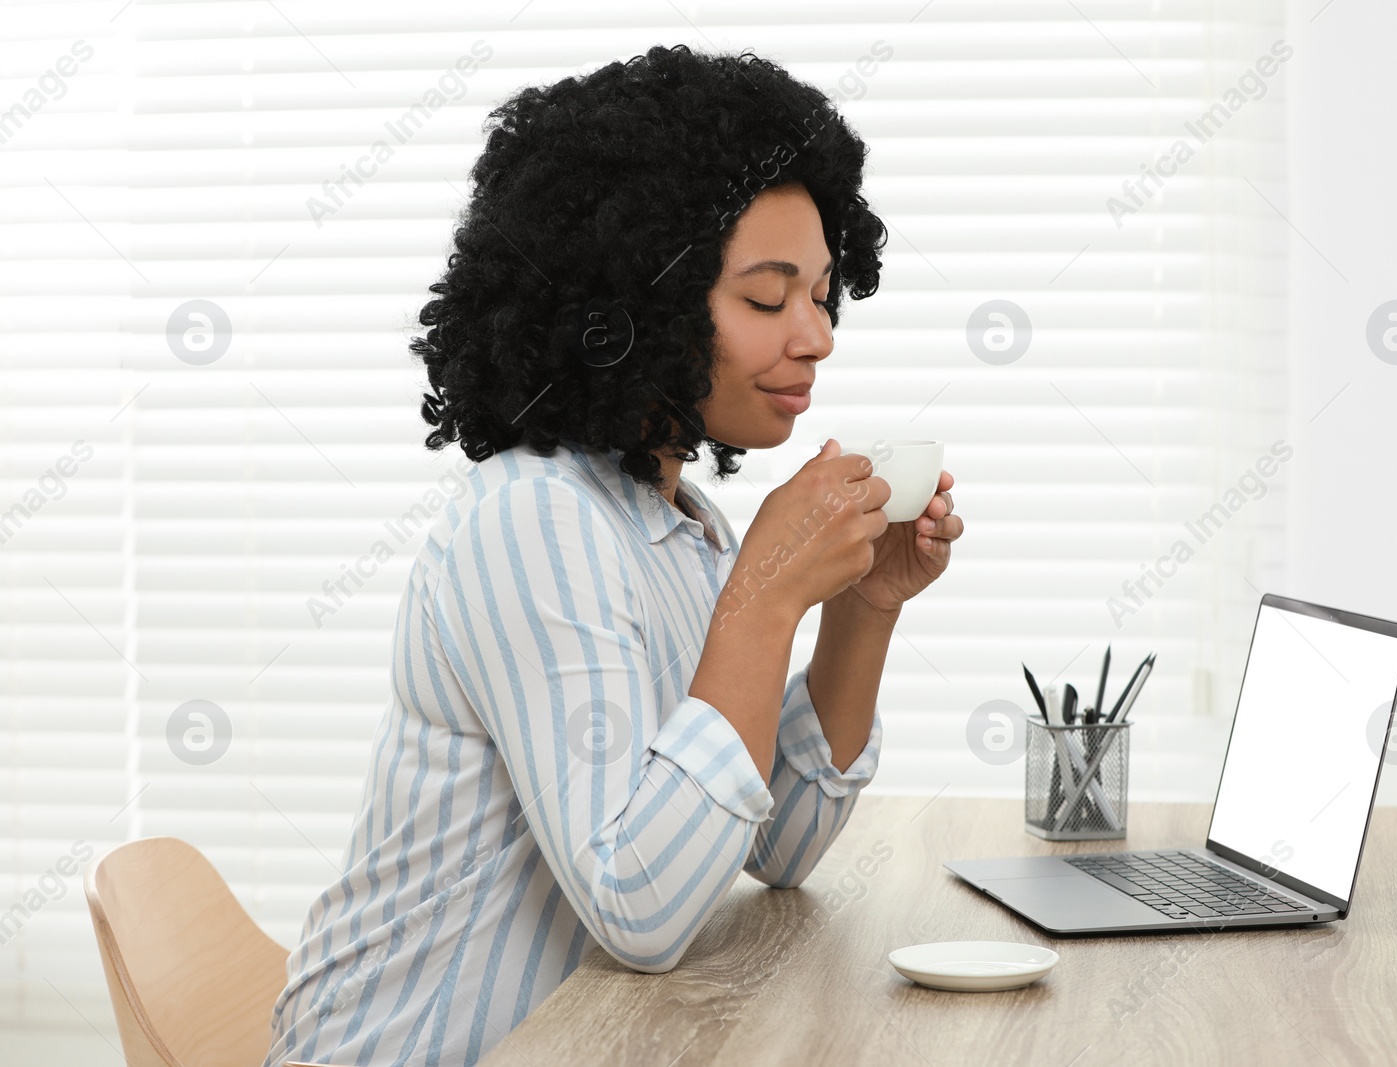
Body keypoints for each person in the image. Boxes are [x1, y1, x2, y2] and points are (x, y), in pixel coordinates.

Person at [263, 43, 962, 1067]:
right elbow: (639, 902)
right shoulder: (532, 522)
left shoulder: (679, 529)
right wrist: (764, 598)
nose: (814, 335)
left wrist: (865, 603)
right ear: (633, 312)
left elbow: (777, 845)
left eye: (822, 292)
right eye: (768, 299)